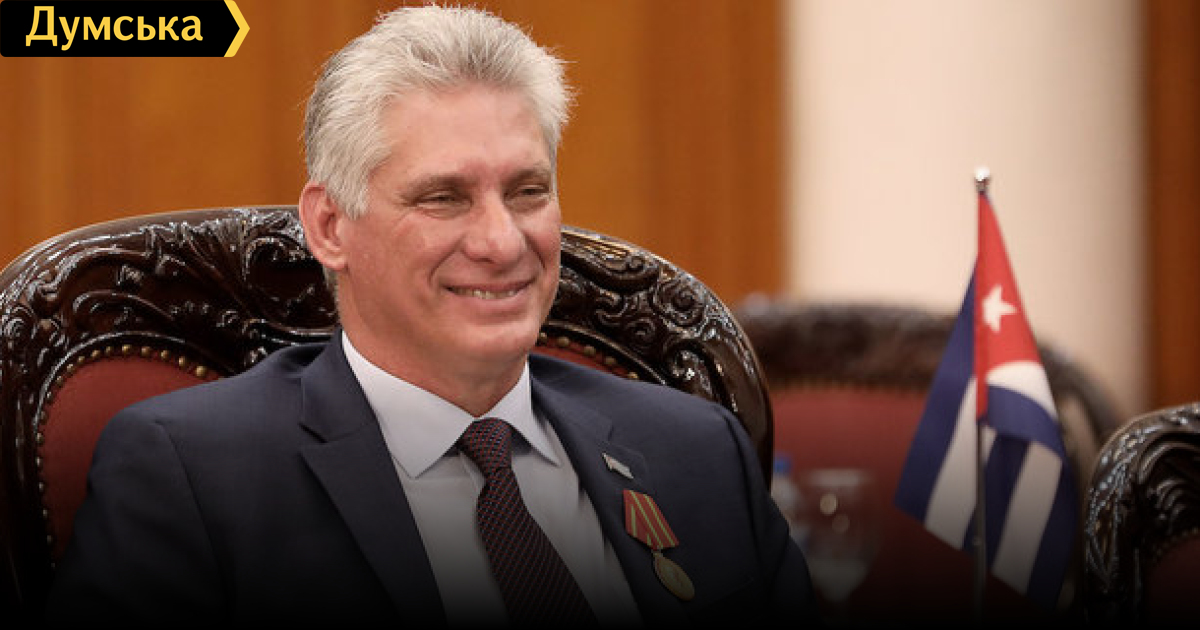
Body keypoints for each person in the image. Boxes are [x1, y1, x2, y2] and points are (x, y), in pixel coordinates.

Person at [47, 5, 816, 627]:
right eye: (444, 198)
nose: (502, 242)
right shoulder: (191, 475)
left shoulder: (694, 451)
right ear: (330, 227)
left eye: (527, 192)